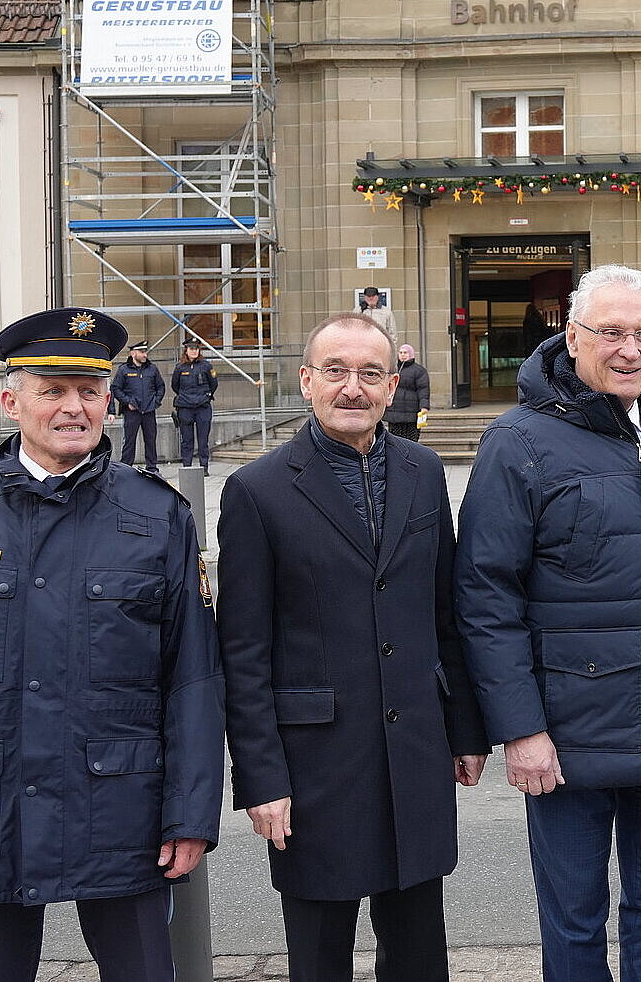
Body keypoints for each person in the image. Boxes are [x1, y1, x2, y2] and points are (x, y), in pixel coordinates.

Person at [0, 307, 223, 982]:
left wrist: (191, 810)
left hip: (125, 807)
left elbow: (193, 679)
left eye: (88, 390)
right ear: (12, 400)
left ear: (109, 401)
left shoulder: (156, 517)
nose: (73, 407)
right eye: (52, 390)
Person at [455, 264, 641, 981]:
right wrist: (519, 729)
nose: (630, 349)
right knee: (574, 916)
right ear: (572, 336)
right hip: (565, 737)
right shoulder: (517, 441)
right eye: (611, 332)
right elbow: (486, 595)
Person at [217, 312, 491, 982]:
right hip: (314, 767)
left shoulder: (426, 473)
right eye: (335, 371)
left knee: (420, 953)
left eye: (370, 373)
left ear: (392, 386)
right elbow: (244, 650)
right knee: (320, 956)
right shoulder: (257, 490)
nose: (353, 387)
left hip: (414, 755)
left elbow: (443, 612)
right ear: (307, 381)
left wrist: (465, 731)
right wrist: (262, 777)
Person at [110, 340, 165, 474]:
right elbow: (116, 389)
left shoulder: (152, 369)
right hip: (132, 412)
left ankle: (152, 468)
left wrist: (155, 402)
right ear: (133, 353)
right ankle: (126, 468)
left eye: (145, 352)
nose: (145, 355)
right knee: (129, 441)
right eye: (142, 352)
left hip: (148, 411)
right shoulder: (124, 369)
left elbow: (161, 387)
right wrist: (127, 402)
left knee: (151, 440)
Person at [171, 338, 218, 472]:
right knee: (187, 439)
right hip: (185, 407)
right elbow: (175, 386)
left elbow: (214, 383)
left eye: (196, 349)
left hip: (202, 406)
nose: (194, 351)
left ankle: (204, 467)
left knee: (203, 440)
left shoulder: (206, 366)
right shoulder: (179, 367)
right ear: (186, 350)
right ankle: (187, 467)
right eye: (191, 349)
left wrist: (206, 396)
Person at [387, 343, 431, 441]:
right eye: (401, 352)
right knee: (395, 439)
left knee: (411, 439)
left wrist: (424, 407)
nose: (403, 355)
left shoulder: (419, 371)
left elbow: (423, 389)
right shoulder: (393, 369)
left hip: (411, 411)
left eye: (405, 353)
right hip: (395, 411)